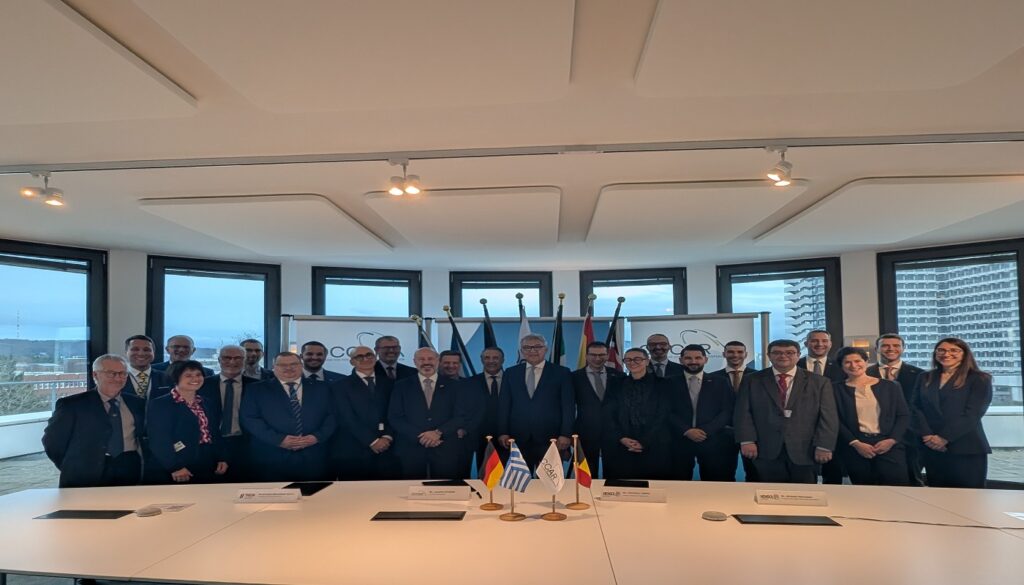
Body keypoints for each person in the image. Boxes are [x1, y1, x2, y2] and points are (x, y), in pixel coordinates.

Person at [734, 339, 838, 484]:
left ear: (798, 355)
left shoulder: (819, 382)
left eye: (789, 352)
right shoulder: (751, 380)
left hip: (805, 449)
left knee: (804, 493)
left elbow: (828, 416)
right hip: (764, 448)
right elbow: (743, 413)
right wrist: (747, 440)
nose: (783, 356)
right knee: (768, 492)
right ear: (769, 355)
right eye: (777, 352)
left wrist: (824, 445)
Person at [42, 354, 146, 488]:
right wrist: (70, 466)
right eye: (111, 373)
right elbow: (52, 442)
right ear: (95, 375)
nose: (118, 378)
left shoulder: (137, 403)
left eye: (123, 373)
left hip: (128, 470)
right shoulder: (72, 405)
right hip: (84, 474)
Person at [240, 352, 336, 481]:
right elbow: (249, 418)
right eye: (282, 365)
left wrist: (317, 437)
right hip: (271, 457)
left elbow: (333, 416)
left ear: (301, 365)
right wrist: (279, 440)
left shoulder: (323, 388)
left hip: (315, 456)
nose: (288, 368)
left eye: (293, 364)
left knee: (316, 493)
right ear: (274, 367)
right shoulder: (256, 389)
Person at [914, 338, 993, 489]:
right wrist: (927, 435)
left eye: (954, 350)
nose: (946, 354)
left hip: (965, 447)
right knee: (938, 495)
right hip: (932, 446)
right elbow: (915, 408)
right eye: (941, 350)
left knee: (969, 496)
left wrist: (943, 438)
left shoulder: (979, 378)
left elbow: (973, 414)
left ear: (964, 354)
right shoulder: (925, 377)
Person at [833, 346, 911, 486]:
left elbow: (903, 415)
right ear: (841, 366)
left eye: (858, 361)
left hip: (888, 443)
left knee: (897, 488)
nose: (853, 365)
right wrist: (855, 443)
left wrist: (892, 440)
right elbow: (835, 420)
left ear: (866, 361)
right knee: (864, 490)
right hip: (856, 446)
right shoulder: (834, 389)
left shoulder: (891, 386)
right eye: (847, 362)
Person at [497, 334, 575, 469]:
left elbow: (568, 406)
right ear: (521, 351)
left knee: (548, 481)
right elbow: (504, 405)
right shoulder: (511, 373)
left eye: (537, 347)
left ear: (546, 349)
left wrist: (565, 434)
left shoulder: (562, 373)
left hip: (551, 439)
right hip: (517, 439)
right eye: (527, 347)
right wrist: (502, 431)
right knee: (520, 481)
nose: (532, 350)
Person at [146, 360, 229, 484]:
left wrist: (222, 457)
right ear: (175, 378)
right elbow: (159, 439)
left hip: (207, 459)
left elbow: (214, 432)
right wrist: (175, 466)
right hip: (177, 462)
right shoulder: (161, 404)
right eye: (188, 375)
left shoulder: (207, 402)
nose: (195, 379)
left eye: (198, 374)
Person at [388, 347, 464, 479]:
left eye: (430, 359)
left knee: (445, 488)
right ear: (414, 362)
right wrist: (421, 436)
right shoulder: (401, 386)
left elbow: (460, 415)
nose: (426, 362)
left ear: (438, 360)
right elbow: (395, 417)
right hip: (411, 448)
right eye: (421, 359)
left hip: (445, 446)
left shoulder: (455, 386)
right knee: (412, 487)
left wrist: (438, 433)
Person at [602, 348, 674, 480]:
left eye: (637, 359)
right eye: (628, 360)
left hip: (654, 444)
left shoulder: (663, 384)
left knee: (654, 485)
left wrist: (645, 441)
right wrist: (621, 438)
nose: (632, 362)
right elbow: (609, 413)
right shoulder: (615, 384)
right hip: (622, 445)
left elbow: (663, 415)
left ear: (647, 361)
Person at [330, 346, 399, 480]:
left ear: (375, 357)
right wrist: (372, 441)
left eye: (369, 355)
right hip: (353, 451)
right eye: (359, 357)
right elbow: (346, 417)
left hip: (387, 450)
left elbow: (395, 413)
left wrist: (387, 437)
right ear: (352, 362)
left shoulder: (391, 384)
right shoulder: (339, 386)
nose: (365, 359)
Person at [866, 333, 926, 486]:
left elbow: (922, 406)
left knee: (913, 480)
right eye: (885, 345)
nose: (890, 349)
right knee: (873, 483)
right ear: (876, 349)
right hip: (874, 437)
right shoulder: (864, 373)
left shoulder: (920, 374)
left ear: (903, 348)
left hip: (910, 436)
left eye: (896, 346)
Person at [672, 344, 736, 481]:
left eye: (698, 358)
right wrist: (686, 430)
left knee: (715, 484)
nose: (693, 361)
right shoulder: (669, 383)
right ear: (681, 360)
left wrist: (705, 430)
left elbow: (727, 410)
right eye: (688, 358)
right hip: (679, 441)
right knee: (678, 483)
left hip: (713, 440)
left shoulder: (720, 382)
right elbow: (665, 411)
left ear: (705, 360)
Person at [199, 344, 255, 482]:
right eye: (227, 358)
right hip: (211, 444)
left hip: (246, 445)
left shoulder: (257, 386)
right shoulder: (202, 385)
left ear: (245, 360)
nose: (232, 361)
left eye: (238, 358)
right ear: (219, 360)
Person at [708, 340, 758, 481]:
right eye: (730, 352)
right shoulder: (711, 378)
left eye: (739, 352)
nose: (735, 355)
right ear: (724, 354)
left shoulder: (759, 377)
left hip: (752, 434)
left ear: (746, 354)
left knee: (755, 475)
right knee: (722, 476)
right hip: (721, 434)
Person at [572, 341, 623, 478]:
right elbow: (569, 407)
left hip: (614, 433)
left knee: (614, 475)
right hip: (584, 433)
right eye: (593, 355)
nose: (597, 358)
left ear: (607, 355)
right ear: (586, 356)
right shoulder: (574, 377)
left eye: (601, 355)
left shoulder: (619, 376)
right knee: (586, 476)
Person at [465, 347, 505, 474]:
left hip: (509, 437)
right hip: (480, 439)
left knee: (510, 479)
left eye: (495, 358)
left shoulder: (513, 379)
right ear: (481, 360)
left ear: (502, 360)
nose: (491, 361)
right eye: (487, 358)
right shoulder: (470, 383)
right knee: (486, 477)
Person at [123, 334, 158, 399]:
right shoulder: (116, 377)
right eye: (135, 349)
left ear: (153, 352)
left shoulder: (167, 378)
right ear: (126, 352)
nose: (141, 353)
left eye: (146, 350)